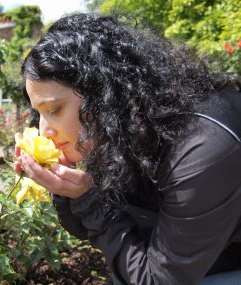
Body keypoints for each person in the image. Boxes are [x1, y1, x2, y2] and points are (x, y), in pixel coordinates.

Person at [14, 13, 241, 285]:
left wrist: (87, 199)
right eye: (39, 113)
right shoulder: (126, 130)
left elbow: (157, 280)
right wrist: (72, 193)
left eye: (54, 110)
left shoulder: (200, 151)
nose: (44, 131)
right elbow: (94, 228)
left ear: (104, 93)